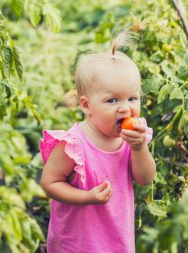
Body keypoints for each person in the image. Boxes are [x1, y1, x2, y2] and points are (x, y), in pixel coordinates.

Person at [39, 32, 156, 253]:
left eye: (132, 98)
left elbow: (145, 178)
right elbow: (49, 183)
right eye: (112, 100)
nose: (125, 108)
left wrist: (140, 148)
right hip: (76, 244)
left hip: (117, 242)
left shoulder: (133, 139)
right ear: (86, 105)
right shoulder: (74, 145)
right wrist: (87, 197)